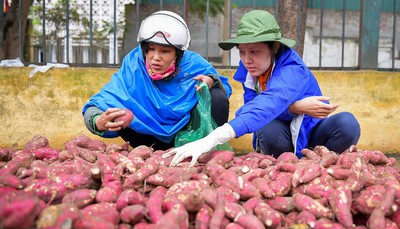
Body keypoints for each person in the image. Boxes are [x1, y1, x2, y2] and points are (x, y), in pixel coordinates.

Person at [166, 9, 361, 166]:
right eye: (242, 52)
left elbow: (267, 104)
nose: (246, 60)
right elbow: (253, 109)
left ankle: (322, 166)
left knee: (347, 124)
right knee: (266, 128)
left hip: (312, 132)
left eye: (255, 52)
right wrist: (294, 107)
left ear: (275, 47)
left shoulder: (293, 70)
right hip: (281, 137)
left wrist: (211, 139)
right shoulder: (252, 69)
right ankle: (286, 167)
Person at [82, 10, 232, 150]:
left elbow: (223, 88)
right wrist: (98, 122)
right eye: (151, 49)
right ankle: (150, 155)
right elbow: (96, 105)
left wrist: (211, 82)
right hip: (145, 139)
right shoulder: (134, 66)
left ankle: (205, 151)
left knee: (217, 98)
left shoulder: (193, 64)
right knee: (120, 112)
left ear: (178, 54)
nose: (155, 57)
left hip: (188, 139)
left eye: (165, 51)